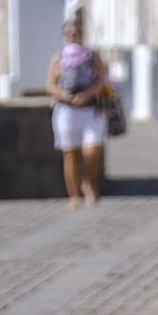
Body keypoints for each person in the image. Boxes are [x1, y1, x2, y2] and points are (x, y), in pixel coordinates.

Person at [48, 15, 107, 207]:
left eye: (78, 33)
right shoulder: (58, 58)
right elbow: (50, 84)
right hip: (67, 110)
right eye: (70, 33)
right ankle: (73, 195)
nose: (74, 36)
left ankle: (88, 182)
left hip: (90, 109)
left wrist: (88, 94)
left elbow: (102, 80)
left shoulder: (92, 56)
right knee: (71, 153)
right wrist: (65, 96)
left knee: (93, 149)